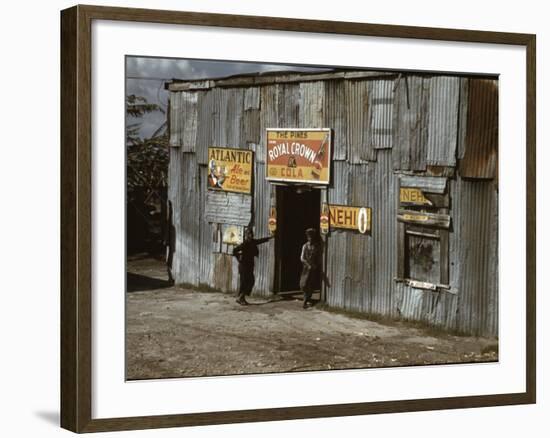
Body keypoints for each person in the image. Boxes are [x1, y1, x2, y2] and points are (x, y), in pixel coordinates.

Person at [232, 227, 272, 305]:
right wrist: (239, 258)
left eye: (252, 233)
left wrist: (269, 238)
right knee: (245, 282)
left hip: (249, 265)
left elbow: (260, 240)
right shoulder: (245, 243)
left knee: (250, 281)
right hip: (244, 266)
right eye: (250, 234)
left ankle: (241, 298)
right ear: (247, 235)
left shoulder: (253, 242)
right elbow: (234, 251)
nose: (251, 235)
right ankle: (241, 298)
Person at [299, 228, 322, 309]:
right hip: (306, 268)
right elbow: (302, 258)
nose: (310, 239)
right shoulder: (304, 246)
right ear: (307, 238)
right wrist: (307, 264)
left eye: (312, 237)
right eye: (309, 237)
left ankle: (306, 301)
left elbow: (318, 257)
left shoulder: (316, 247)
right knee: (303, 284)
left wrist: (316, 265)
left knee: (310, 284)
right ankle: (306, 298)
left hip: (313, 268)